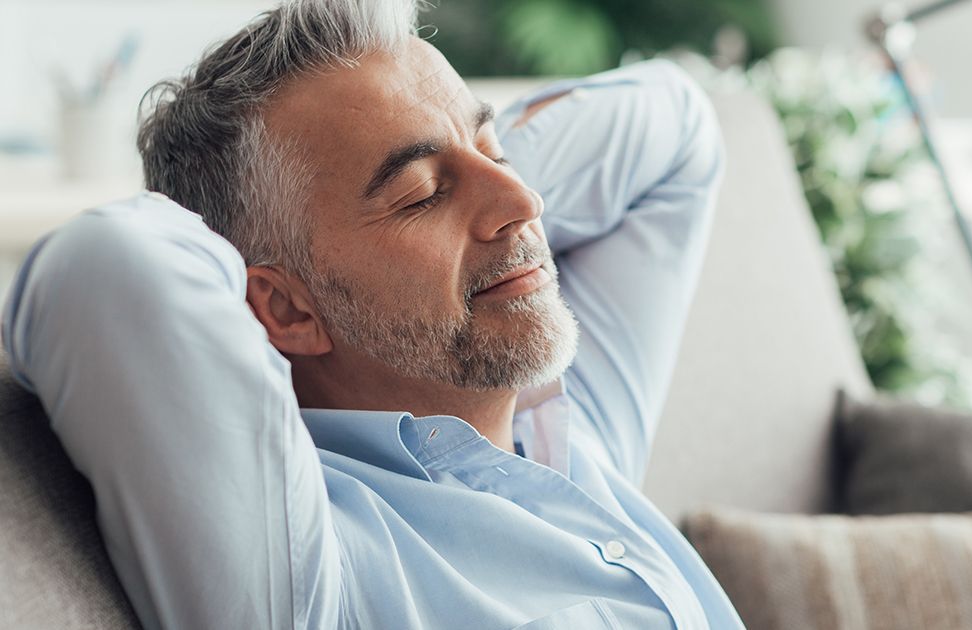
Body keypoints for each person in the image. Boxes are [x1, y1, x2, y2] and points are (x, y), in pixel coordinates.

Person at [0, 0, 741, 628]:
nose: (526, 203)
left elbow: (674, 125)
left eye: (499, 152)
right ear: (285, 309)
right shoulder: (316, 574)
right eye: (420, 193)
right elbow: (111, 264)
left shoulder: (571, 428)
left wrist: (460, 176)